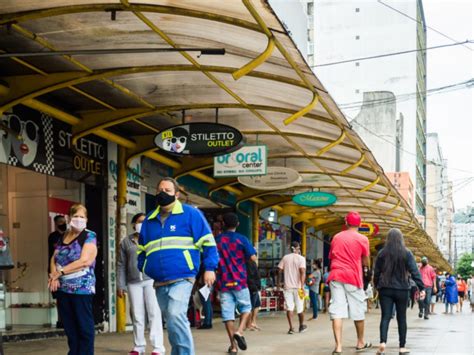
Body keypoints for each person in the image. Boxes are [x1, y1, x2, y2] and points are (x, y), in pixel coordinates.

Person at [137, 177, 219, 355]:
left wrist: (210, 268)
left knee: (175, 314)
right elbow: (141, 250)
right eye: (160, 190)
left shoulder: (191, 214)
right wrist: (145, 267)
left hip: (183, 277)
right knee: (172, 321)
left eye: (167, 190)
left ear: (177, 193)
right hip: (158, 280)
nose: (163, 193)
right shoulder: (149, 221)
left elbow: (208, 242)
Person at [48, 204, 97, 355]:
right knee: (70, 329)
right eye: (76, 216)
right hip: (63, 288)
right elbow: (54, 257)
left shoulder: (89, 236)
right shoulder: (63, 236)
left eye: (82, 217)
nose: (79, 220)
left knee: (84, 328)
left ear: (87, 219)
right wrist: (53, 275)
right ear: (69, 218)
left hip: (81, 289)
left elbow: (84, 261)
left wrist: (60, 272)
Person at [117, 212, 165, 355]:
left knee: (154, 313)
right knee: (137, 315)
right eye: (139, 221)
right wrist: (120, 285)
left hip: (151, 280)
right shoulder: (126, 242)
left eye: (145, 221)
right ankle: (139, 346)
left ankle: (158, 347)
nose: (141, 224)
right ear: (133, 224)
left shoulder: (153, 238)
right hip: (133, 282)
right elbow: (121, 265)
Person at [373, 228, 425, 355]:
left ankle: (382, 342)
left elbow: (377, 273)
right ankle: (402, 347)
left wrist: (377, 286)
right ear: (401, 239)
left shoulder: (382, 253)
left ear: (388, 239)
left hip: (385, 289)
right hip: (402, 289)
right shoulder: (407, 253)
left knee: (385, 316)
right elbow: (414, 272)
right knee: (402, 318)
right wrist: (421, 287)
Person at [327, 211, 371, 355]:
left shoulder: (336, 237)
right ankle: (360, 342)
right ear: (359, 224)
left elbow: (332, 256)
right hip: (353, 277)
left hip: (336, 275)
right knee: (358, 310)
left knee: (337, 310)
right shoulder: (363, 239)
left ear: (346, 223)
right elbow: (366, 261)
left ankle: (338, 347)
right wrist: (365, 267)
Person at [215, 212, 256, 354]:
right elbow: (253, 257)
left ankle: (233, 346)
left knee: (227, 315)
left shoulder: (217, 240)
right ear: (237, 224)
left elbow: (212, 259)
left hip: (224, 282)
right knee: (246, 308)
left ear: (223, 224)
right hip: (239, 281)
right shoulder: (242, 239)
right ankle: (239, 331)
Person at [278, 241, 307, 334]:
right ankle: (301, 326)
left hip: (287, 287)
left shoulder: (285, 258)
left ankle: (291, 328)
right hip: (298, 287)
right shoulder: (301, 258)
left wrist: (279, 283)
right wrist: (302, 286)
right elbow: (302, 272)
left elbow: (279, 270)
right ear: (298, 248)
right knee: (300, 308)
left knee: (289, 307)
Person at [48, 214, 68, 328]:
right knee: (58, 296)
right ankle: (60, 320)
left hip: (67, 270)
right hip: (55, 269)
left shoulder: (69, 235)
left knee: (67, 296)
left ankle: (66, 320)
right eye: (60, 222)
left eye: (64, 221)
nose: (63, 224)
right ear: (56, 224)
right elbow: (53, 255)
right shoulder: (53, 237)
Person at [246, 258, 262, 331]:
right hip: (251, 287)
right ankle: (248, 324)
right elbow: (250, 277)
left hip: (255, 287)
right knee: (250, 307)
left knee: (257, 305)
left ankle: (253, 322)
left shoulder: (253, 263)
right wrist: (254, 286)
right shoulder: (248, 263)